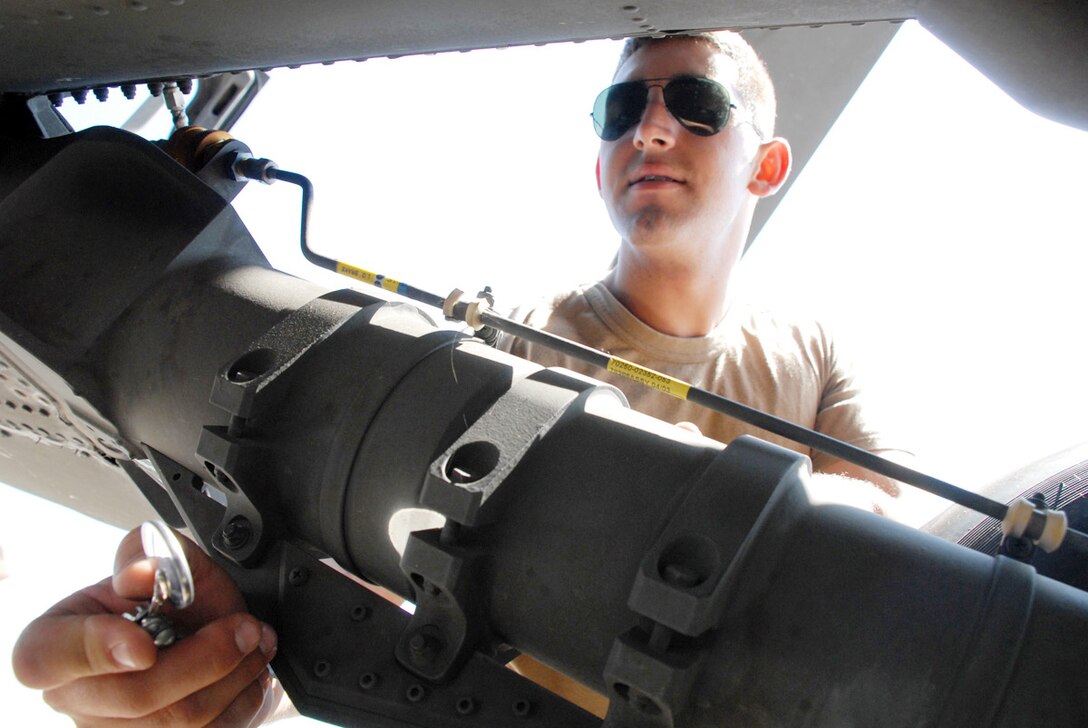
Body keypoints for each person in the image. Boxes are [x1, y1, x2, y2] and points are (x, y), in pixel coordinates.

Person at [13, 30, 908, 726]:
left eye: (698, 103)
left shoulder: (816, 352)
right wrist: (241, 649)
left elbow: (904, 537)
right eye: (622, 108)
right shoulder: (513, 350)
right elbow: (397, 587)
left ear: (769, 164)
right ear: (599, 159)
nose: (652, 128)